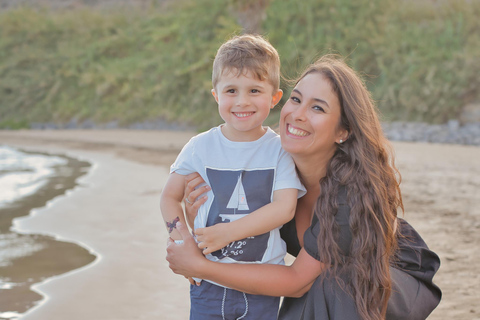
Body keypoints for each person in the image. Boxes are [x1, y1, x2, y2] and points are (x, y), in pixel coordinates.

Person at [166, 55, 442, 319]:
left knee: (336, 286)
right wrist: (196, 220)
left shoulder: (351, 194)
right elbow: (234, 234)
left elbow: (297, 281)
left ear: (342, 132)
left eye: (317, 107)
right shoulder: (273, 169)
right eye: (296, 99)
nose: (297, 114)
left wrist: (200, 267)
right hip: (320, 277)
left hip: (387, 274)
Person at [160, 34, 305, 320]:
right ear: (216, 95)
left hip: (261, 281)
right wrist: (183, 243)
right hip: (208, 285)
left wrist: (228, 232)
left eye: (254, 91)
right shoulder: (200, 147)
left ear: (274, 98)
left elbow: (284, 207)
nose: (242, 101)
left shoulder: (279, 150)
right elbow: (169, 197)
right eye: (231, 91)